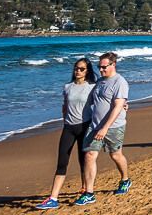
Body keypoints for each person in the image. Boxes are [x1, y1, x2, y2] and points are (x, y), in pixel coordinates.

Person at [34, 59, 96, 209]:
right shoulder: (67, 87)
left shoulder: (92, 87)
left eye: (81, 69)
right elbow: (65, 106)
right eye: (76, 68)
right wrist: (65, 121)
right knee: (62, 162)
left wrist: (122, 106)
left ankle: (85, 189)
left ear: (87, 71)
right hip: (68, 128)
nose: (78, 71)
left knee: (83, 161)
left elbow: (103, 103)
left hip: (84, 126)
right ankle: (53, 198)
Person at [75, 53, 130, 206]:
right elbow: (91, 99)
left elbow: (118, 106)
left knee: (116, 155)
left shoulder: (120, 82)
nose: (101, 69)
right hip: (95, 126)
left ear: (113, 65)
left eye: (104, 67)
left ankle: (125, 179)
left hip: (113, 127)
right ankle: (89, 193)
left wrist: (105, 128)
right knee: (90, 155)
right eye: (99, 67)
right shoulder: (100, 81)